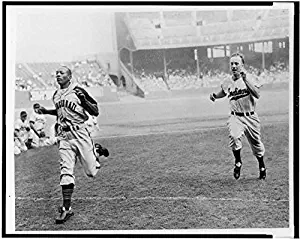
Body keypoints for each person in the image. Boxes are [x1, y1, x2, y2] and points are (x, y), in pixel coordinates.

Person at [36, 66, 110, 224]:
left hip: (80, 134)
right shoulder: (56, 95)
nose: (58, 75)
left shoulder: (78, 90)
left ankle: (96, 150)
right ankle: (66, 208)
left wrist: (83, 100)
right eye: (56, 73)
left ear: (69, 76)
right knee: (66, 171)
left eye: (61, 73)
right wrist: (46, 112)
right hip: (64, 136)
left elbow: (95, 111)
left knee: (91, 172)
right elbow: (61, 111)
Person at [209, 52, 266, 180]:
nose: (234, 66)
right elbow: (224, 92)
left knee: (256, 144)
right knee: (234, 136)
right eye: (232, 64)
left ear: (242, 65)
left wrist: (245, 79)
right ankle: (238, 162)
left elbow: (257, 94)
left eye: (236, 64)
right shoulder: (227, 81)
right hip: (236, 117)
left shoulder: (250, 78)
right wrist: (215, 96)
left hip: (250, 116)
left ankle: (262, 165)